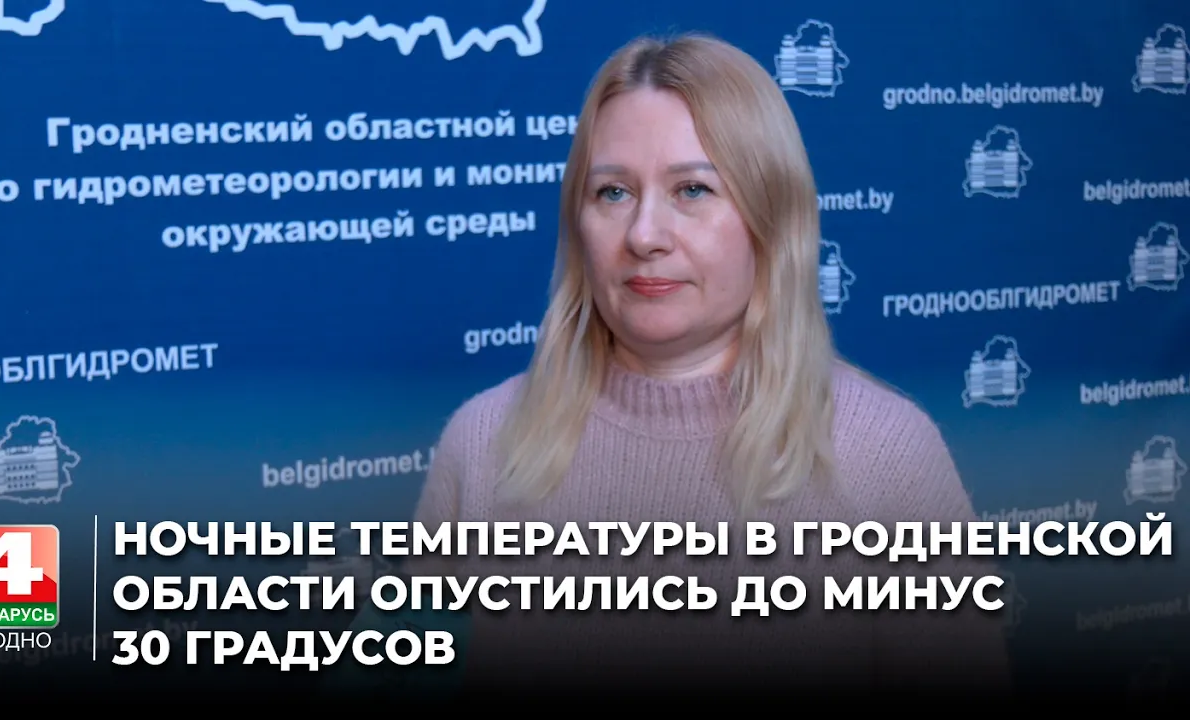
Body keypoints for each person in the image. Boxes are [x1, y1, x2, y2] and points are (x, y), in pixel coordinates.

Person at [409, 33, 1011, 693]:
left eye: (692, 189)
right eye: (612, 192)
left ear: (770, 217)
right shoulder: (482, 443)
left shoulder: (888, 457)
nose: (644, 235)